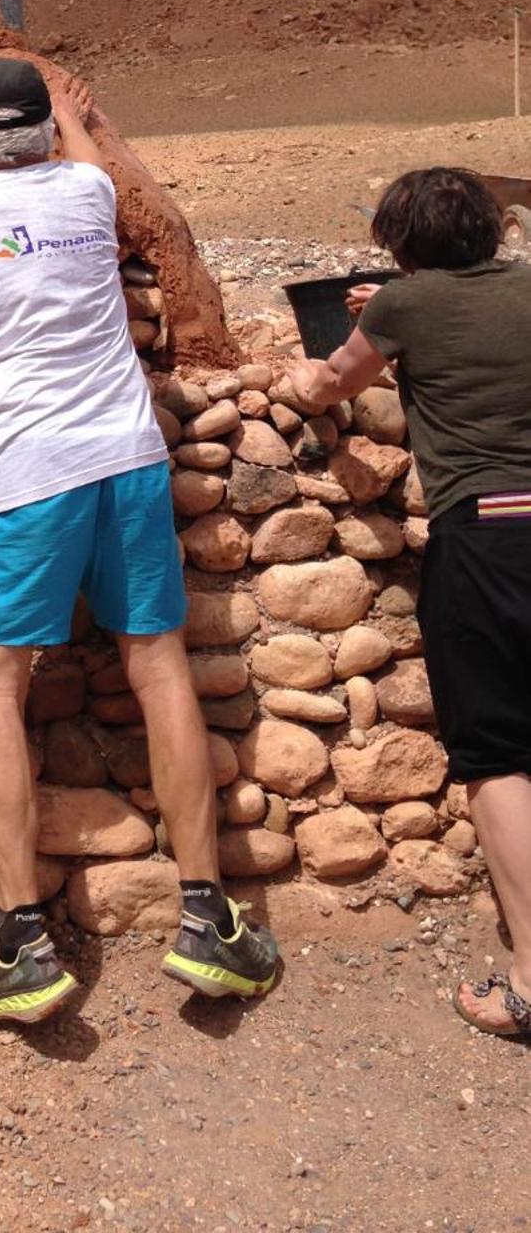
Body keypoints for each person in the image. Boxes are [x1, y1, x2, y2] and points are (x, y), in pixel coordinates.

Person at [0, 56, 279, 1024]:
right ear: (48, 131)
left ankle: (22, 938)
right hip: (126, 454)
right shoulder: (90, 186)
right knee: (159, 662)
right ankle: (208, 918)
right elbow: (84, 157)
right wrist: (74, 115)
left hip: (23, 471)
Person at [289, 166, 531, 1044]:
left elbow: (327, 388)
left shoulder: (400, 308)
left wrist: (329, 352)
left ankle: (530, 981)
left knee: (498, 753)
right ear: (493, 231)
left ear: (398, 244)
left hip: (485, 541)